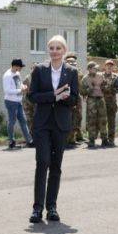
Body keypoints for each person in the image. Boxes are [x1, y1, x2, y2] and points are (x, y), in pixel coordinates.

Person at [27, 35, 79, 223]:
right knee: (43, 162)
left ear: (64, 51)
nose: (55, 51)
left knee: (56, 166)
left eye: (58, 48)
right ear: (48, 50)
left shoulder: (72, 72)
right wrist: (53, 95)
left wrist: (66, 98)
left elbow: (75, 99)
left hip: (61, 124)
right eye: (51, 48)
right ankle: (37, 208)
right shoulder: (39, 70)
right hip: (42, 124)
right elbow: (32, 96)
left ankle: (52, 207)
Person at [2, 58, 33, 149]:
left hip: (18, 101)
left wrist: (23, 86)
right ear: (15, 66)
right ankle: (11, 141)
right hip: (11, 102)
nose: (21, 69)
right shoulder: (7, 76)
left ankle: (29, 141)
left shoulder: (17, 73)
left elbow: (19, 84)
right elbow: (7, 90)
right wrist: (20, 90)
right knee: (12, 121)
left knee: (23, 120)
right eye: (20, 67)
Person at [79, 62, 107, 148]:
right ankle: (91, 140)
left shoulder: (100, 76)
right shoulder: (85, 79)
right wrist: (89, 89)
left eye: (96, 68)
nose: (96, 69)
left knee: (103, 120)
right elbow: (82, 92)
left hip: (101, 99)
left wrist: (104, 86)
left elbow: (105, 85)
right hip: (91, 99)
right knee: (91, 121)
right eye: (94, 68)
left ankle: (104, 140)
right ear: (90, 69)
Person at [65, 53, 84, 148]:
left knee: (78, 117)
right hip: (68, 97)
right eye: (70, 62)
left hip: (77, 96)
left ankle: (75, 137)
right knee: (69, 118)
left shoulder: (78, 72)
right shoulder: (64, 72)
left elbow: (81, 84)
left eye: (74, 62)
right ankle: (69, 139)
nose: (72, 64)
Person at [101, 60, 118, 147]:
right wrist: (106, 88)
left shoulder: (116, 77)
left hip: (111, 102)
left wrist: (108, 89)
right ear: (104, 66)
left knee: (111, 122)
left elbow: (117, 89)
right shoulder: (100, 76)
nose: (109, 67)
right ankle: (104, 140)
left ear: (113, 67)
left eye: (111, 65)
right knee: (102, 122)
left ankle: (111, 140)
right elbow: (98, 87)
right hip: (101, 102)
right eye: (108, 65)